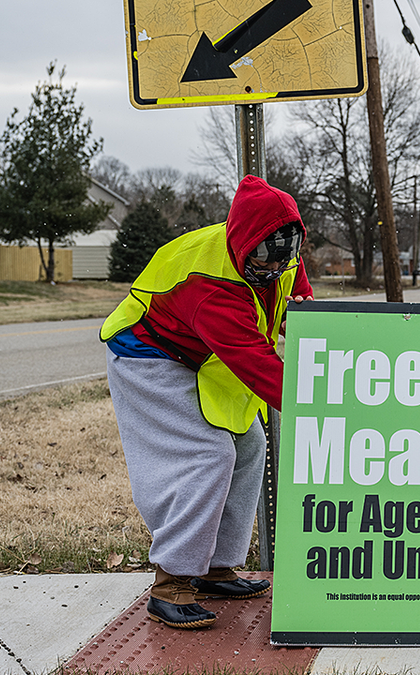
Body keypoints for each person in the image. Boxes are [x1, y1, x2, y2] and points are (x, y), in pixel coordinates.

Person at [101, 175, 313, 629]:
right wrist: (321, 405)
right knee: (207, 455)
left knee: (251, 447)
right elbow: (256, 363)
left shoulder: (277, 251)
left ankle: (215, 566)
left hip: (201, 355)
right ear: (242, 247)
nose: (272, 272)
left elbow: (301, 307)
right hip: (148, 354)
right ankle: (173, 580)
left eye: (282, 261)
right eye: (261, 264)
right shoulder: (210, 284)